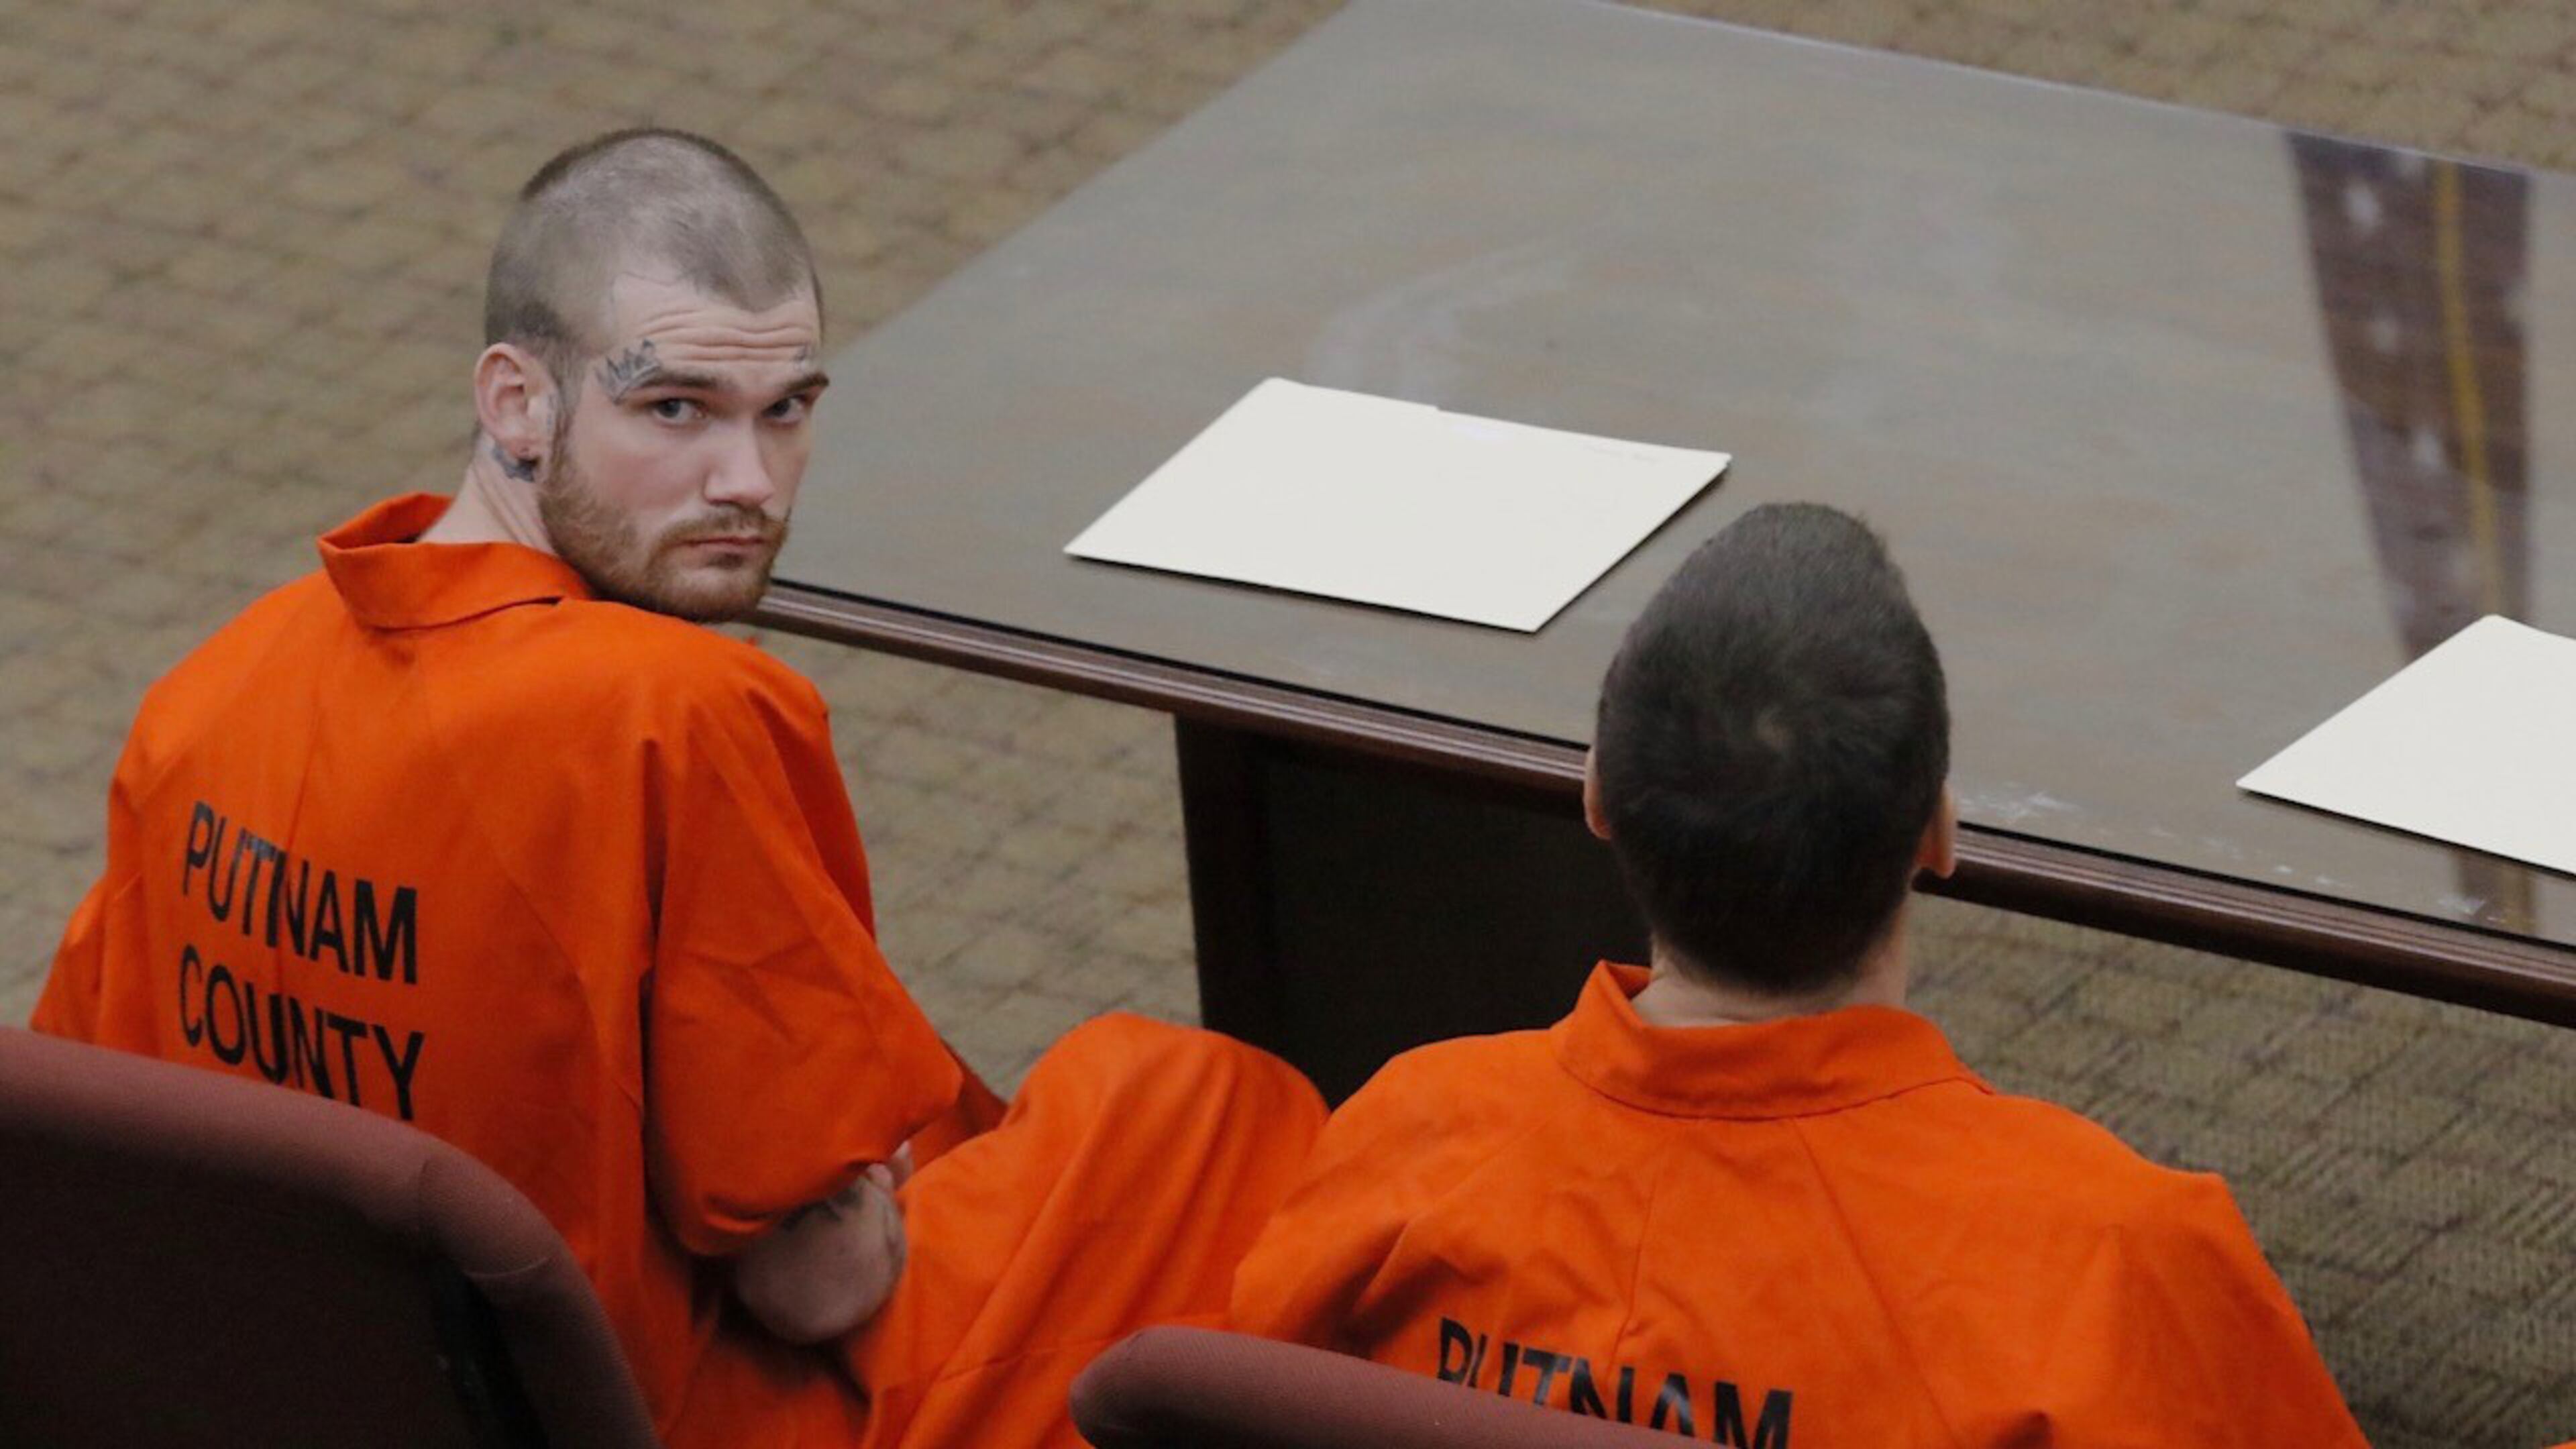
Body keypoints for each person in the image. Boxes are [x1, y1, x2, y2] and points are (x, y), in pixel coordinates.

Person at [34, 127, 1320, 1449]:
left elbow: (98, 1129)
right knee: (1202, 1109)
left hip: (272, 1391)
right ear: (517, 403)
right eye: (675, 411)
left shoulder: (208, 690)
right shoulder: (670, 716)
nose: (748, 483)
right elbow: (820, 1286)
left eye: (788, 410)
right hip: (659, 1417)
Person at [1229, 503, 2369, 1447]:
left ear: (1597, 802)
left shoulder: (1411, 1130)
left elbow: (1237, 1399)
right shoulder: (2116, 1257)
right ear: (1939, 835)